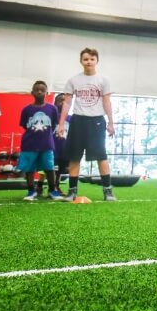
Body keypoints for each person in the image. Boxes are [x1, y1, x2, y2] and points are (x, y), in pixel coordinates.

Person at [56, 48, 116, 203]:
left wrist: (110, 122)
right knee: (74, 157)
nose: (88, 62)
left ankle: (108, 191)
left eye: (91, 59)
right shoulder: (73, 80)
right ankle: (72, 192)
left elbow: (107, 102)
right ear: (81, 61)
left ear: (97, 61)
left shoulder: (104, 80)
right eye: (85, 59)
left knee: (101, 157)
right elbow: (67, 102)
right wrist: (61, 123)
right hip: (78, 121)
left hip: (96, 121)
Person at [18, 81, 62, 201]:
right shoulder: (26, 109)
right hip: (29, 144)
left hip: (47, 144)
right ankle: (31, 191)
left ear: (47, 93)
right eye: (36, 89)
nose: (39, 91)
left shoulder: (52, 109)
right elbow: (24, 125)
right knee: (30, 168)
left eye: (42, 90)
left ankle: (53, 190)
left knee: (49, 167)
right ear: (32, 92)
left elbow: (53, 125)